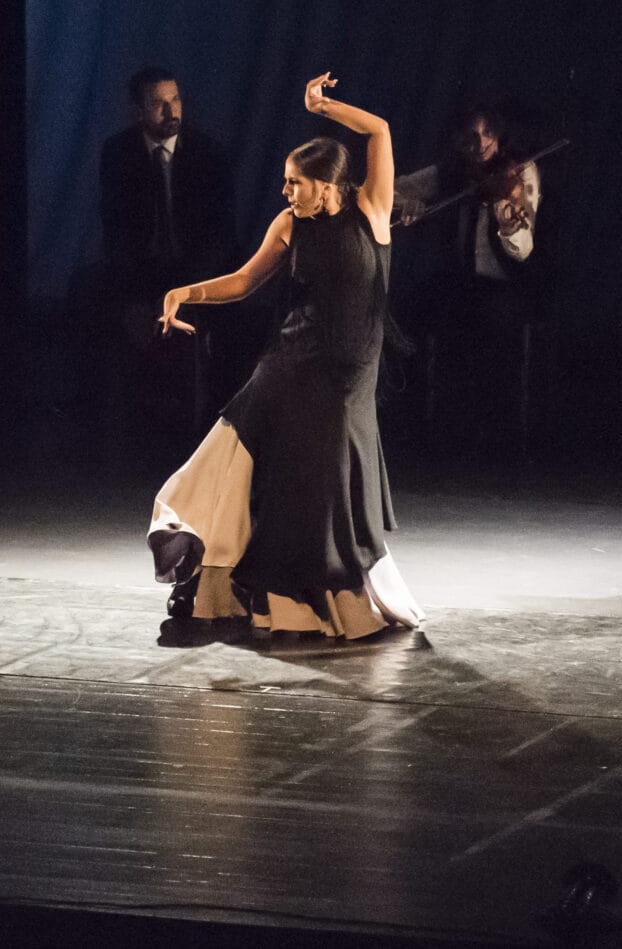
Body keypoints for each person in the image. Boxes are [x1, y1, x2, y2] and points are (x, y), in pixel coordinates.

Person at [145, 74, 424, 639]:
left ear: (326, 184)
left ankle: (333, 599)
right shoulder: (290, 224)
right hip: (290, 366)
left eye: (295, 182)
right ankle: (255, 594)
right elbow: (245, 282)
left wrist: (324, 106)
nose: (285, 191)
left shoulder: (372, 209)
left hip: (348, 377)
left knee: (330, 487)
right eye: (285, 181)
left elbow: (379, 131)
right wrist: (184, 292)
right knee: (264, 474)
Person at [393, 98, 547, 445]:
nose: (481, 144)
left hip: (505, 284)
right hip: (459, 281)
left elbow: (522, 251)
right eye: (471, 136)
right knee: (408, 312)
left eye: (488, 133)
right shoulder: (452, 171)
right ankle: (421, 428)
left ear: (499, 134)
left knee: (491, 325)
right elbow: (392, 190)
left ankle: (493, 436)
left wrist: (508, 220)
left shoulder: (520, 173)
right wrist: (407, 204)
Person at [93, 66, 236, 417]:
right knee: (92, 295)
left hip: (196, 270)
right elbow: (117, 232)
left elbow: (220, 236)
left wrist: (185, 291)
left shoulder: (208, 153)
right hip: (145, 270)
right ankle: (108, 413)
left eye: (176, 100)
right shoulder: (118, 153)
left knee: (233, 304)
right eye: (159, 104)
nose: (172, 111)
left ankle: (214, 409)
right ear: (138, 110)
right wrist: (137, 297)